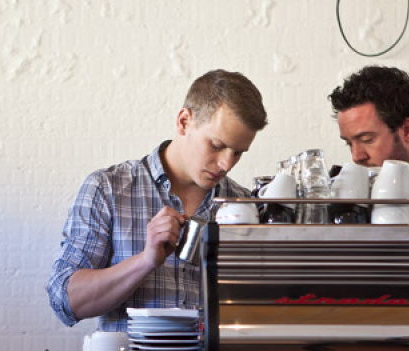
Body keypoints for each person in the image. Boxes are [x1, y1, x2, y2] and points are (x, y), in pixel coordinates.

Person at [47, 69, 268, 331]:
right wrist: (145, 262)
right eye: (217, 145)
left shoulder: (245, 206)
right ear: (184, 122)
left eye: (238, 153)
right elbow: (65, 302)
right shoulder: (108, 189)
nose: (226, 164)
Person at [328, 65, 409, 167]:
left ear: (407, 130)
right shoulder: (341, 180)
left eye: (367, 139)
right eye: (349, 144)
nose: (356, 157)